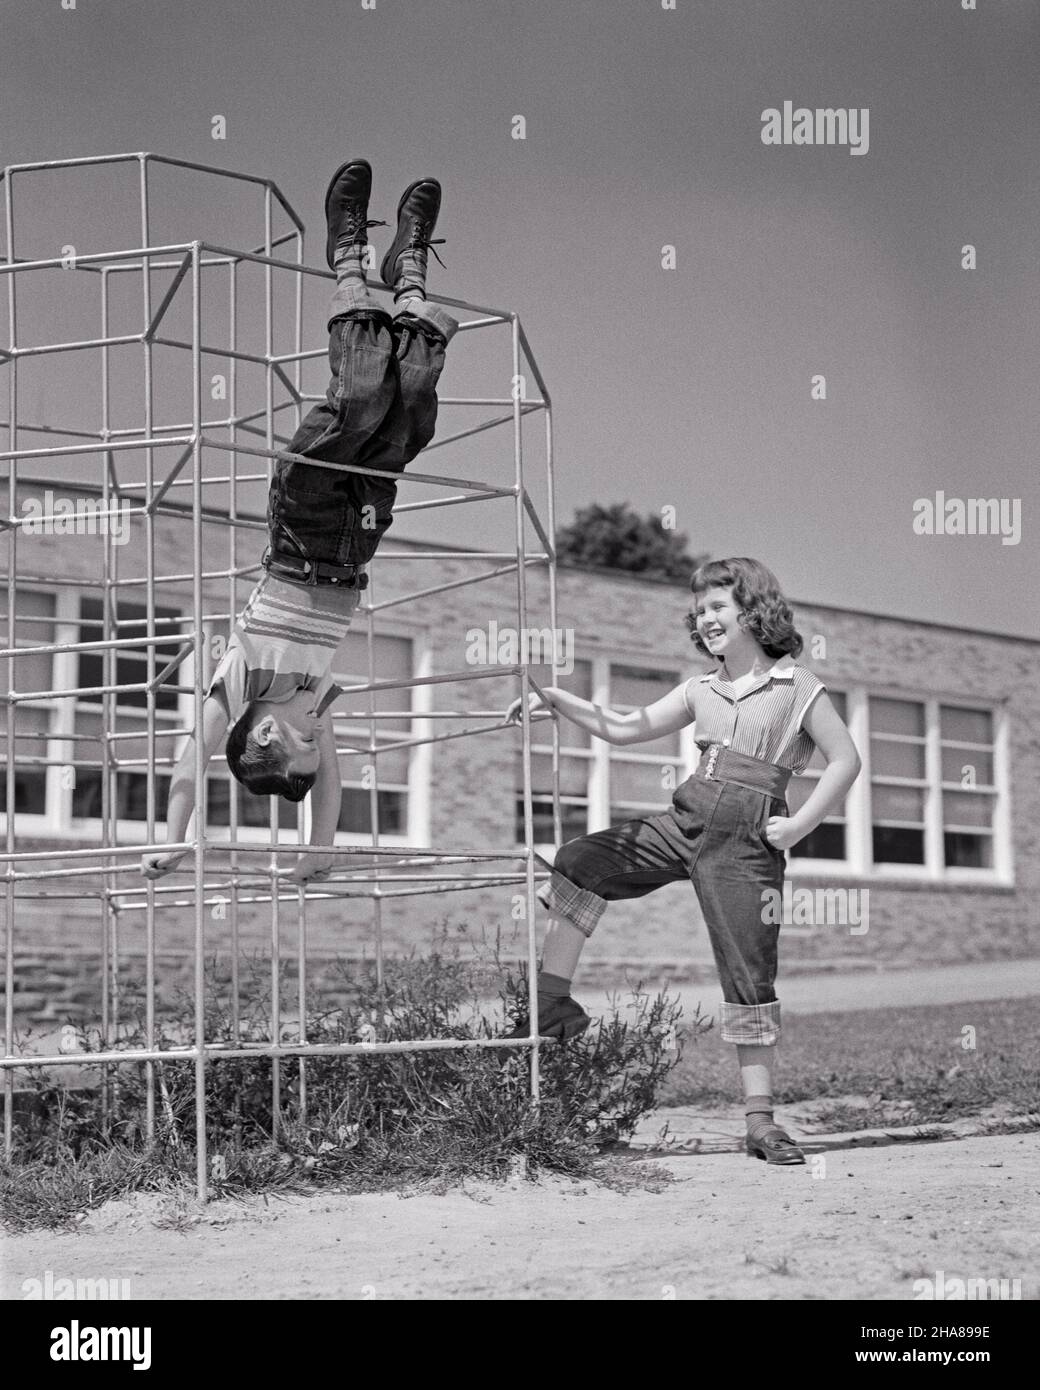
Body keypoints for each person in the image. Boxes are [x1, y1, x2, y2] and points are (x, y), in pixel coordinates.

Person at [141, 158, 456, 884]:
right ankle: (408, 273)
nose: (326, 737)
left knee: (358, 405)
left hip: (302, 531)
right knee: (405, 416)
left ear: (272, 733)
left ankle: (347, 257)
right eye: (323, 742)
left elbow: (191, 757)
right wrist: (319, 856)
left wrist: (174, 840)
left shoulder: (243, 684)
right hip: (355, 545)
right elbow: (333, 789)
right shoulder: (310, 700)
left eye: (309, 743)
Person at [505, 557, 862, 1164]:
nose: (706, 618)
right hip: (686, 819)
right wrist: (557, 698)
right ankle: (552, 1003)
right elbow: (624, 727)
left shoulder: (796, 686)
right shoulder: (702, 688)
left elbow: (845, 760)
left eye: (718, 606)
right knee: (579, 860)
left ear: (753, 611)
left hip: (748, 841)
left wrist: (799, 823)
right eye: (700, 611)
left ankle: (761, 1121)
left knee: (749, 975)